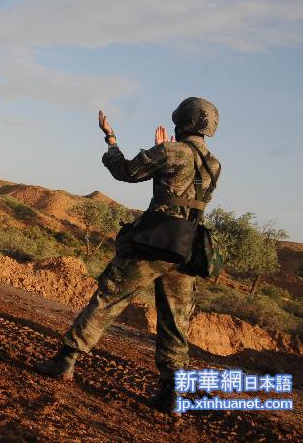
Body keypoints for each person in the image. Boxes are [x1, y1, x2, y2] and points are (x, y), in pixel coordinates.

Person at [34, 97, 221, 413]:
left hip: (154, 243)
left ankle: (65, 361)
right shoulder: (214, 164)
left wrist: (111, 140)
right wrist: (164, 155)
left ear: (182, 120)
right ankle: (171, 395)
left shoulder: (170, 151)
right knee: (175, 323)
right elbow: (184, 191)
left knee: (109, 298)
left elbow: (125, 172)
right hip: (186, 251)